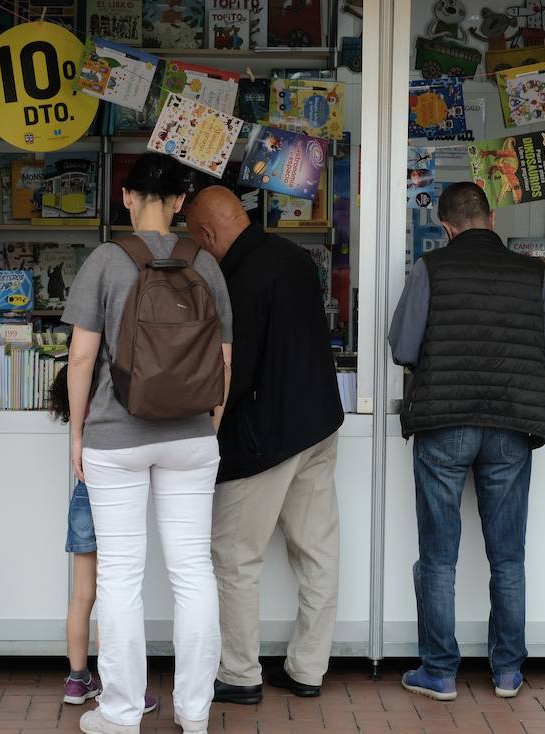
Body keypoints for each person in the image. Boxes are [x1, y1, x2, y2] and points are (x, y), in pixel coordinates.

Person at [62, 153, 233, 734]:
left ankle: (121, 712)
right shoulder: (205, 264)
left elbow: (81, 357)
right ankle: (194, 712)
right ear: (183, 202)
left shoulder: (106, 262)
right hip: (191, 437)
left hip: (116, 437)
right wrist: (210, 423)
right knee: (193, 573)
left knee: (119, 577)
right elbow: (224, 360)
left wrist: (77, 435)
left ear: (129, 198)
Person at [388, 182, 545, 701]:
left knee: (438, 557)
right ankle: (508, 671)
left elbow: (402, 346)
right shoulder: (532, 274)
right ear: (491, 218)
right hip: (512, 422)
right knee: (508, 558)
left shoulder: (430, 269)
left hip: (444, 422)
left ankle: (439, 673)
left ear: (445, 227)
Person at [185, 186, 344, 704]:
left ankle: (239, 674)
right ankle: (308, 669)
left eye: (197, 241)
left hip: (263, 436)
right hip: (317, 424)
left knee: (234, 557)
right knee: (317, 552)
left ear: (208, 233)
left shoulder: (237, 279)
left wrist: (208, 430)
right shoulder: (295, 257)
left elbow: (233, 370)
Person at [49, 365, 157, 715]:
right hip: (114, 498)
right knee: (117, 593)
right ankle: (119, 687)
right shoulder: (109, 407)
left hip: (83, 497)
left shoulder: (80, 420)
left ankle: (77, 679)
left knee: (82, 597)